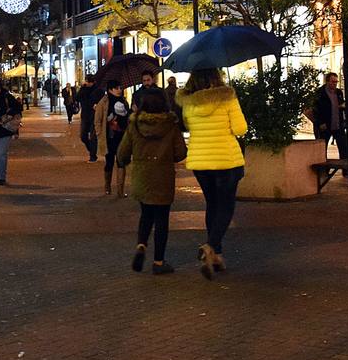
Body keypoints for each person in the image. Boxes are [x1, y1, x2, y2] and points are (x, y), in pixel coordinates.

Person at [178, 68, 247, 280]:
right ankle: (210, 247)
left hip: (201, 161)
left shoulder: (188, 103)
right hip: (226, 159)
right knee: (226, 206)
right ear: (217, 78)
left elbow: (188, 127)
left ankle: (217, 255)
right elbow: (240, 128)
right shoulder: (227, 97)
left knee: (212, 205)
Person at [117, 85, 186, 275]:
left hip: (142, 177)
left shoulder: (135, 125)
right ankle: (158, 261)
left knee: (146, 214)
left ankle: (141, 245)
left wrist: (123, 161)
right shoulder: (171, 125)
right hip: (163, 178)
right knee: (162, 220)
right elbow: (181, 153)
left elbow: (122, 152)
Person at [99, 80, 132, 197]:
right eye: (116, 88)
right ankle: (107, 186)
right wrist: (99, 133)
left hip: (122, 137)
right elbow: (98, 119)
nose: (119, 90)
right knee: (109, 162)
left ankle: (120, 190)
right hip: (109, 137)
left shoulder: (124, 101)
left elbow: (128, 117)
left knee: (121, 162)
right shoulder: (104, 102)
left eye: (120, 87)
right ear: (110, 90)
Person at [76, 74, 102, 162]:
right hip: (85, 115)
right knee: (83, 136)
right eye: (87, 81)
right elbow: (77, 98)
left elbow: (101, 100)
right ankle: (92, 150)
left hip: (95, 116)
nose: (88, 83)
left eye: (89, 81)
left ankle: (93, 156)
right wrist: (82, 88)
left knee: (93, 136)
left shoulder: (98, 89)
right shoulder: (83, 89)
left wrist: (97, 105)